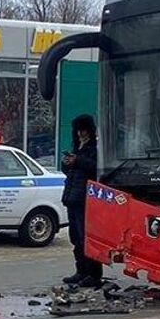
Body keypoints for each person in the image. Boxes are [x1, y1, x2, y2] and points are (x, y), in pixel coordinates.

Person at [60, 113, 101, 287]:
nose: (80, 134)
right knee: (75, 237)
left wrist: (78, 160)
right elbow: (70, 173)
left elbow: (96, 168)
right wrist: (67, 163)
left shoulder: (95, 148)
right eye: (78, 131)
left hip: (86, 198)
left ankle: (93, 273)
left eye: (83, 130)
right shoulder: (77, 147)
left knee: (86, 237)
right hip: (72, 197)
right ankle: (81, 271)